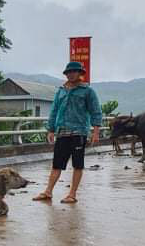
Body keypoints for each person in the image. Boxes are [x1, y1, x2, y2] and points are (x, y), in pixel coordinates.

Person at [33, 61, 102, 204]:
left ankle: (72, 194)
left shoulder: (87, 91)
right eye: (69, 72)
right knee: (56, 164)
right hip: (62, 132)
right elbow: (54, 110)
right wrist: (51, 129)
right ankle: (48, 192)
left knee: (77, 164)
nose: (71, 74)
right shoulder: (61, 91)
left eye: (74, 72)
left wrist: (96, 132)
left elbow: (95, 111)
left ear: (80, 73)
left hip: (79, 132)